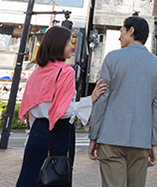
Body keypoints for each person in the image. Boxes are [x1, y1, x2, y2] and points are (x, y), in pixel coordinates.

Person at [16, 26, 108, 187]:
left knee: (29, 178)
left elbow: (32, 109)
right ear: (58, 44)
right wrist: (90, 100)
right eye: (68, 43)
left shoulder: (37, 72)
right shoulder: (66, 71)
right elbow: (62, 111)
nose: (72, 47)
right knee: (56, 178)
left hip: (37, 133)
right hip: (59, 133)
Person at [88, 16, 157, 187]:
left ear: (131, 31)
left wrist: (94, 136)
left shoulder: (112, 58)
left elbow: (102, 99)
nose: (119, 36)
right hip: (141, 140)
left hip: (111, 137)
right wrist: (154, 143)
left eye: (121, 31)